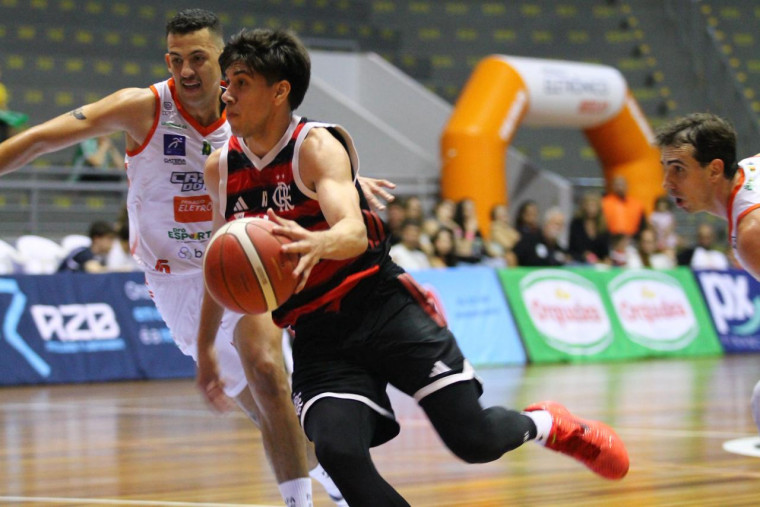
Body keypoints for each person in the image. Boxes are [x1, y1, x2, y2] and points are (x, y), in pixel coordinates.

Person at [205, 27, 629, 506]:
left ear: (280, 91)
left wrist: (315, 243)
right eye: (227, 82)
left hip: (381, 307)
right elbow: (221, 265)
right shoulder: (220, 168)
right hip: (319, 335)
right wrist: (206, 347)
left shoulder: (315, 147)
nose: (227, 93)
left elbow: (353, 233)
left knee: (474, 440)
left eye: (241, 82)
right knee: (338, 451)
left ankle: (549, 424)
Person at [0, 9, 401, 506]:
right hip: (176, 281)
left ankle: (304, 499)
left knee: (268, 372)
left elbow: (300, 153)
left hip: (246, 259)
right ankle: (333, 480)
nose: (185, 70)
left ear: (222, 59)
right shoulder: (141, 107)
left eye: (197, 58)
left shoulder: (249, 109)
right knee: (263, 409)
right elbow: (41, 139)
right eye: (175, 59)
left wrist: (345, 179)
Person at [654, 112, 760, 435]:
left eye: (679, 169)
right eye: (665, 168)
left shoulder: (751, 233)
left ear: (714, 169)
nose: (667, 183)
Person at [568, 191, 610, 265]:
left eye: (594, 205)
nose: (591, 208)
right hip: (579, 261)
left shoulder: (603, 225)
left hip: (599, 263)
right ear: (584, 206)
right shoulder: (576, 223)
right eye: (589, 205)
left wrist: (606, 260)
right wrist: (586, 256)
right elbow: (573, 247)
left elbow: (605, 251)